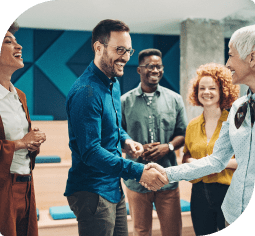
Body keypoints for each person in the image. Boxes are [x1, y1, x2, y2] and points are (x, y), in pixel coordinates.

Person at [142, 24, 255, 226]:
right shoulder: (239, 108)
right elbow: (216, 160)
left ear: (252, 58)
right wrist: (166, 173)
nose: (227, 64)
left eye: (231, 55)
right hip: (232, 214)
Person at [64, 20, 168, 236]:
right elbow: (90, 152)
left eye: (128, 50)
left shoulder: (112, 83)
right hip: (92, 191)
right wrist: (138, 171)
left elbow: (113, 128)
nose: (126, 57)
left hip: (113, 186)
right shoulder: (86, 91)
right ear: (98, 48)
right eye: (119, 49)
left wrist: (126, 140)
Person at [121, 48, 187, 236]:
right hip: (136, 179)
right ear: (139, 70)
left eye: (159, 66)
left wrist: (169, 147)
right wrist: (135, 148)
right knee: (141, 231)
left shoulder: (175, 99)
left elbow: (183, 133)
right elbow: (117, 136)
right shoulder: (124, 102)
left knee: (173, 231)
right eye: (150, 66)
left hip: (167, 178)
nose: (155, 70)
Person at [0, 21, 46, 236]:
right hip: (3, 190)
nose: (19, 47)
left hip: (26, 186)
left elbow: (24, 145)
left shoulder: (20, 96)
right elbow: (18, 143)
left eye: (17, 42)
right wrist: (21, 143)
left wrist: (32, 143)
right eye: (8, 42)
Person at [181, 63, 239, 235]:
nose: (206, 92)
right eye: (202, 88)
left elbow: (247, 159)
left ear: (223, 90)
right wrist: (196, 163)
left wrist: (218, 164)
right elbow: (186, 157)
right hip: (199, 193)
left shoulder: (236, 122)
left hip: (228, 191)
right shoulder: (192, 125)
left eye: (212, 88)